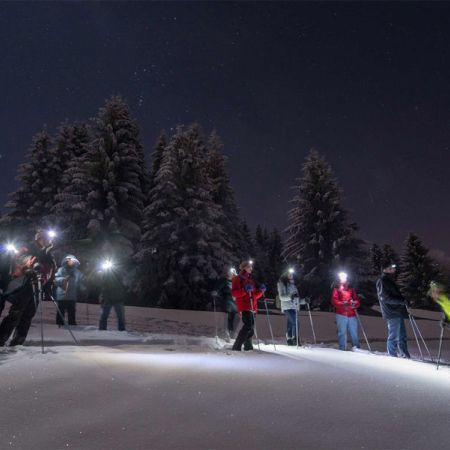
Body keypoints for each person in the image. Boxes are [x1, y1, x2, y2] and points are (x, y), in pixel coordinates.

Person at [0, 230, 56, 346]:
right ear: (38, 239)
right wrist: (31, 265)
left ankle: (18, 341)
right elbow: (20, 258)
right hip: (26, 284)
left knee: (28, 315)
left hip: (38, 287)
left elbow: (50, 269)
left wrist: (49, 283)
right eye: (43, 238)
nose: (46, 241)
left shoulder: (48, 253)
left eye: (47, 239)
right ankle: (1, 338)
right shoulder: (30, 247)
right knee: (16, 313)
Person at [376, 262, 410, 358]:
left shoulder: (389, 280)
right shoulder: (382, 281)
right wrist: (401, 301)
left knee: (402, 335)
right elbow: (385, 298)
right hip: (391, 312)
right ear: (385, 269)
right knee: (394, 335)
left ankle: (404, 354)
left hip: (397, 311)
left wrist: (403, 300)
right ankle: (392, 355)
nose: (394, 270)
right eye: (391, 268)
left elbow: (395, 295)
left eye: (393, 268)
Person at [231, 260, 265, 351]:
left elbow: (253, 296)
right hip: (244, 306)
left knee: (250, 329)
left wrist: (261, 291)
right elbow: (234, 293)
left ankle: (246, 345)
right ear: (244, 267)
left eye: (251, 267)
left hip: (252, 307)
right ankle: (236, 346)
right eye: (249, 267)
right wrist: (244, 290)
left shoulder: (250, 280)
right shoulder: (237, 279)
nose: (251, 268)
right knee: (248, 326)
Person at [331, 272, 360, 351]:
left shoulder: (351, 289)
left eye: (345, 278)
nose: (343, 279)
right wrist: (343, 304)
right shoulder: (336, 289)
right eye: (342, 278)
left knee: (354, 333)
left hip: (351, 314)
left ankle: (356, 348)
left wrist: (355, 303)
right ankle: (342, 349)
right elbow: (334, 301)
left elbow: (357, 300)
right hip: (341, 314)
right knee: (342, 333)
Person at [54, 254, 86, 326]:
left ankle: (72, 324)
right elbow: (55, 280)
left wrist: (83, 289)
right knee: (60, 312)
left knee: (72, 312)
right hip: (62, 296)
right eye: (71, 261)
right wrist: (64, 279)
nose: (72, 262)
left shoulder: (77, 272)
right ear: (67, 261)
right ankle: (59, 325)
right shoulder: (61, 270)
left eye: (74, 261)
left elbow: (80, 282)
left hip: (72, 296)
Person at [96, 262, 126, 331]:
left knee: (120, 317)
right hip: (108, 299)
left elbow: (123, 285)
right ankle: (102, 330)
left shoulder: (119, 276)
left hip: (117, 299)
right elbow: (102, 286)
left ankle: (122, 331)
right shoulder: (105, 276)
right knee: (104, 316)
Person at [277, 269, 300, 346]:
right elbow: (281, 297)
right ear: (285, 275)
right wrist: (290, 297)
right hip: (287, 307)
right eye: (289, 274)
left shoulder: (293, 285)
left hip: (294, 307)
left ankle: (289, 338)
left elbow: (296, 298)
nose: (291, 275)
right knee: (296, 322)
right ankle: (295, 338)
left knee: (291, 323)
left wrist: (304, 301)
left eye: (292, 274)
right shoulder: (282, 284)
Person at [215, 267, 238, 340]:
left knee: (235, 316)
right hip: (227, 299)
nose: (232, 275)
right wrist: (216, 292)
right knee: (228, 315)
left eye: (234, 273)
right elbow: (218, 288)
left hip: (235, 301)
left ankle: (232, 332)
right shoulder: (225, 281)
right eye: (231, 273)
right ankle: (226, 332)